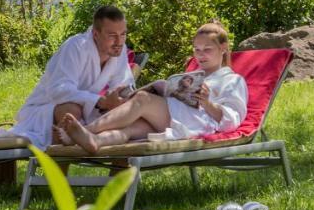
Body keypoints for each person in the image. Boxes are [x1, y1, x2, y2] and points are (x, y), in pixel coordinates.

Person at [59, 22, 247, 152]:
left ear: (223, 48)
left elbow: (233, 120)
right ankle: (95, 141)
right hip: (173, 116)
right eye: (197, 50)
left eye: (207, 50)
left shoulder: (234, 80)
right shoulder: (192, 77)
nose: (201, 55)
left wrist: (207, 103)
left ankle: (87, 130)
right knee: (130, 129)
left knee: (143, 100)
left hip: (196, 122)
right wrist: (162, 88)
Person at [4, 5, 134, 148]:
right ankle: (59, 165)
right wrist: (100, 101)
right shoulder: (76, 47)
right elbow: (59, 91)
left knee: (125, 115)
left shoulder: (119, 51)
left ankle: (121, 169)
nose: (119, 42)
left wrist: (120, 99)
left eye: (123, 34)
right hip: (44, 111)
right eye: (112, 36)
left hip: (88, 113)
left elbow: (124, 84)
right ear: (96, 34)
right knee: (71, 112)